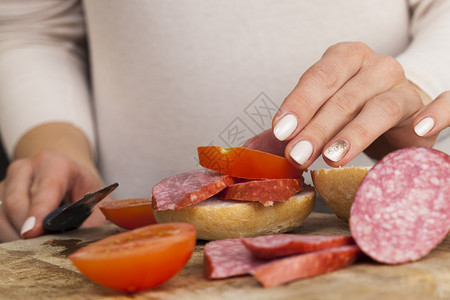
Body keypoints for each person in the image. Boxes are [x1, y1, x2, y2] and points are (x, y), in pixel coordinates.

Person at [0, 0, 449, 243]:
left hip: (397, 209)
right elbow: (31, 27)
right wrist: (54, 139)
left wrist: (419, 85)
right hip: (135, 230)